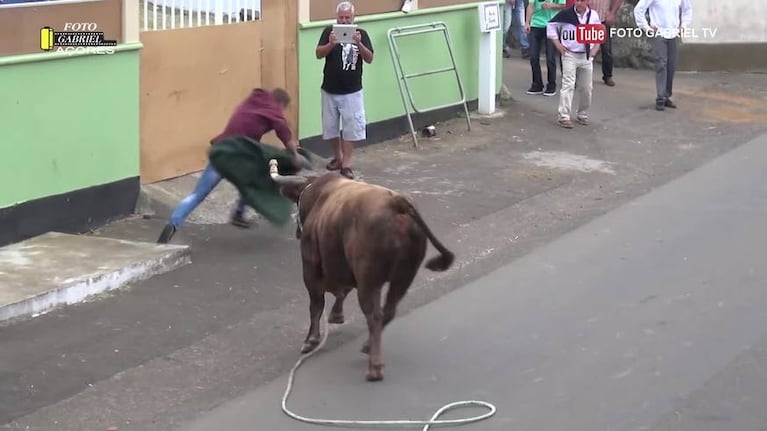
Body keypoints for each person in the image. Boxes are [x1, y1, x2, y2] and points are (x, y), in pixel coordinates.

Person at [156, 88, 302, 244]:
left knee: (197, 194)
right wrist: (295, 154)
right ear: (280, 103)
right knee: (256, 179)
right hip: (237, 156)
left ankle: (172, 224)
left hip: (222, 152)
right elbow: (283, 129)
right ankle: (239, 213)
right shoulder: (273, 109)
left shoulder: (255, 102)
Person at [315, 1, 374, 180]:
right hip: (330, 89)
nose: (344, 20)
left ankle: (347, 164)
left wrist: (359, 44)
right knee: (331, 127)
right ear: (336, 17)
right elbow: (318, 54)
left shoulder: (361, 34)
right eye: (341, 17)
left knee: (351, 127)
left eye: (347, 17)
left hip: (352, 90)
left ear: (353, 18)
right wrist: (331, 43)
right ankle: (337, 157)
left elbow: (370, 58)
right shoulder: (329, 32)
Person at [547, 0, 601, 129]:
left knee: (587, 88)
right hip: (569, 54)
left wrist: (596, 48)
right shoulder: (566, 14)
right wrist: (558, 45)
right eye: (577, 0)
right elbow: (551, 26)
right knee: (568, 85)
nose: (579, 3)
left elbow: (599, 31)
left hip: (586, 55)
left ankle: (582, 113)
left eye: (582, 0)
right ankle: (564, 116)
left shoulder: (593, 16)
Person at [633, 0, 692, 110]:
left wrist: (683, 25)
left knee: (671, 66)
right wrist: (647, 28)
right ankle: (660, 97)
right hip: (660, 33)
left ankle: (666, 95)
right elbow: (639, 9)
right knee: (661, 64)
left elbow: (687, 9)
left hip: (674, 33)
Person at [525, 0, 567, 96]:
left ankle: (551, 85)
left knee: (550, 57)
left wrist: (551, 5)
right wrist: (527, 22)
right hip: (536, 24)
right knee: (533, 57)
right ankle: (537, 84)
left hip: (552, 24)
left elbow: (563, 5)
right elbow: (530, 5)